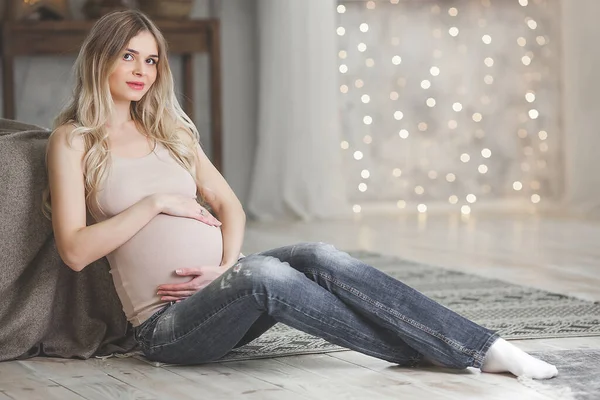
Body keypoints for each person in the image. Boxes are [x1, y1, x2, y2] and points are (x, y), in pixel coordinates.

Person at [43, 10, 557, 380]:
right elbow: (74, 250)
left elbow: (230, 207)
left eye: (151, 60)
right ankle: (452, 352)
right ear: (100, 59)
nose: (141, 71)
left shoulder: (169, 130)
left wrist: (226, 267)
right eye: (128, 56)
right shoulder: (73, 141)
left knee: (318, 253)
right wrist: (153, 204)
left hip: (227, 290)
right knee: (266, 273)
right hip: (168, 328)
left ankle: (484, 346)